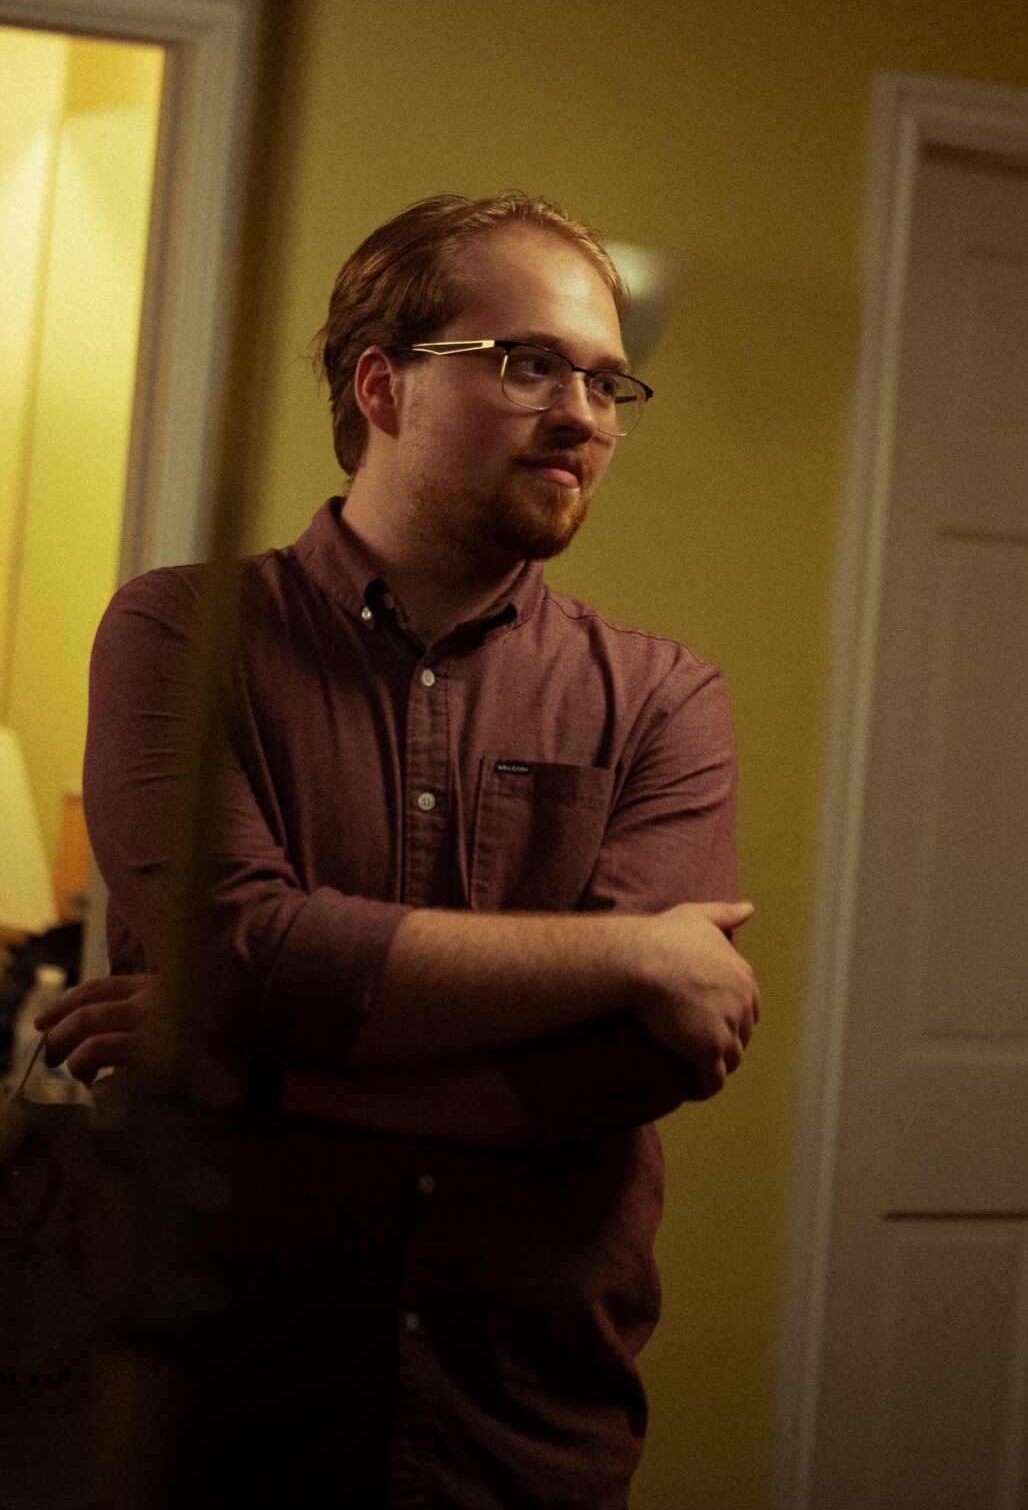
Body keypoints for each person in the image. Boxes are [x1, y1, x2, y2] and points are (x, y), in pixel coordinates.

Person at [39, 191, 759, 1510]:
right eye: (529, 363)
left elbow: (633, 1063)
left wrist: (256, 1076)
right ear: (381, 385)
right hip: (220, 1420)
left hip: (523, 1426)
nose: (584, 414)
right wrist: (632, 955)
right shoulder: (182, 636)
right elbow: (240, 952)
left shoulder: (664, 700)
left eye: (606, 381)